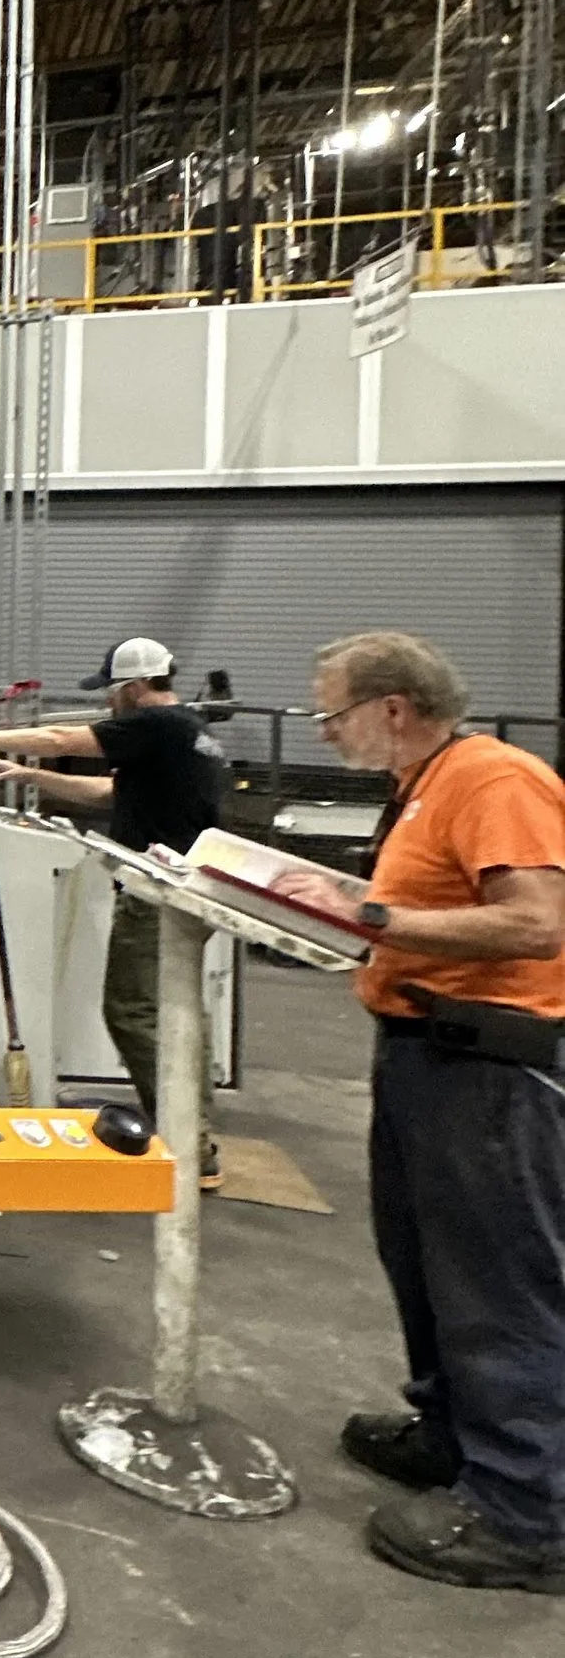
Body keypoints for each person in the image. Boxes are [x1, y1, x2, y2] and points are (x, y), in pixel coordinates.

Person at [316, 629, 565, 1593]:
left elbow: (537, 922)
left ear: (392, 707)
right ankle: (456, 1434)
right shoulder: (426, 785)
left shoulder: (494, 778)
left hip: (488, 1068)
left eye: (333, 714)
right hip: (424, 1054)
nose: (325, 732)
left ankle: (525, 1511)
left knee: (497, 1280)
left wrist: (374, 918)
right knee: (424, 1261)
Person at [0, 637, 230, 1188]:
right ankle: (194, 1131)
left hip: (159, 893)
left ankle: (189, 1142)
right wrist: (30, 777)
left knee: (132, 1011)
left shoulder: (156, 723)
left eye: (111, 693)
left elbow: (60, 738)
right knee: (176, 1013)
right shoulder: (187, 731)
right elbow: (112, 793)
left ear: (133, 688)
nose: (107, 703)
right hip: (189, 888)